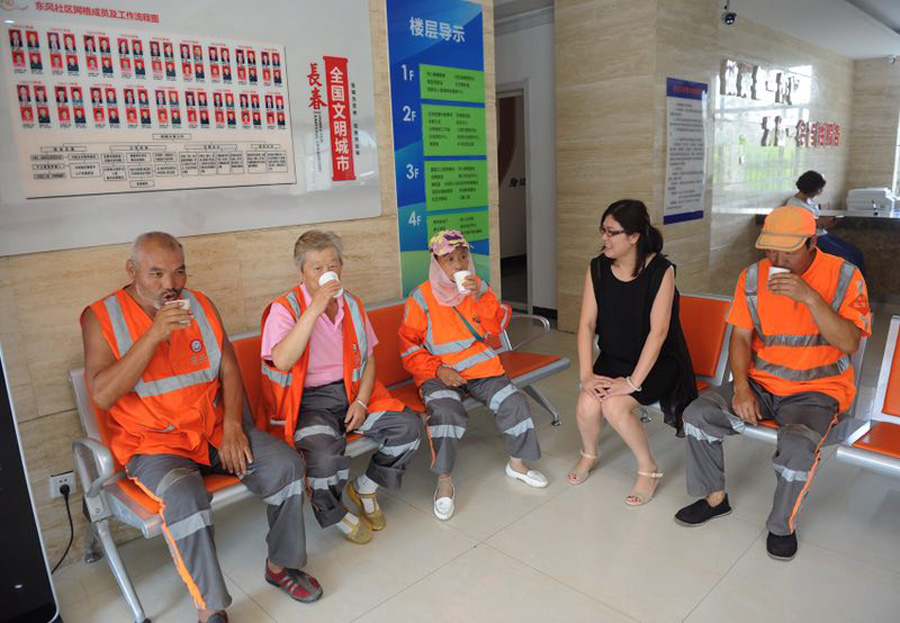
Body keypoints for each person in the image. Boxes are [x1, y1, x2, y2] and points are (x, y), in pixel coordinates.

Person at [81, 233, 323, 623]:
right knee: (184, 499)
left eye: (178, 272)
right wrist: (155, 333)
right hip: (154, 445)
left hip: (212, 431)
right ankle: (209, 606)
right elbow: (104, 394)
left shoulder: (201, 303)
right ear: (132, 271)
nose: (171, 285)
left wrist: (232, 426)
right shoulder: (102, 316)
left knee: (287, 466)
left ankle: (282, 566)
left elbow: (228, 366)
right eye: (156, 274)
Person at [674, 206, 871, 561]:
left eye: (787, 250)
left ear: (812, 242)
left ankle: (781, 526)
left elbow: (849, 342)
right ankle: (714, 498)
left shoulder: (845, 276)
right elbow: (740, 339)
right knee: (697, 416)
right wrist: (741, 388)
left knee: (797, 451)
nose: (776, 258)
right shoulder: (752, 277)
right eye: (769, 249)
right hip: (762, 385)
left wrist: (809, 297)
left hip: (818, 391)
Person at [261, 230, 423, 544]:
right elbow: (281, 360)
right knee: (322, 456)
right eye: (317, 268)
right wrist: (314, 310)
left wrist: (361, 402)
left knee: (409, 427)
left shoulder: (352, 303)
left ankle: (365, 487)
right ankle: (332, 511)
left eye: (332, 265)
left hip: (352, 391)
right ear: (302, 273)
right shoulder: (285, 308)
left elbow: (368, 357)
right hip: (308, 402)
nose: (327, 274)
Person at [400, 230, 547, 521]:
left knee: (514, 402)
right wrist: (438, 370)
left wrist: (481, 297)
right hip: (439, 372)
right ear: (436, 263)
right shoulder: (421, 298)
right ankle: (444, 481)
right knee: (445, 413)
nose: (459, 265)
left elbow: (498, 326)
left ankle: (517, 464)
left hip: (480, 368)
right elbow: (408, 348)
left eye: (463, 256)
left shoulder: (478, 287)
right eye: (450, 259)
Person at [568, 200, 697, 504]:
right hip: (614, 357)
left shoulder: (661, 270)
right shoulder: (597, 267)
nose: (605, 239)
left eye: (612, 232)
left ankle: (649, 469)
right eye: (603, 231)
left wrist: (632, 382)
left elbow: (660, 332)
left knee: (614, 406)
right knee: (587, 402)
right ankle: (589, 454)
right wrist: (587, 375)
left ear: (635, 237)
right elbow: (586, 324)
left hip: (656, 363)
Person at [785, 170, 866, 277]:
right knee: (847, 259)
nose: (820, 192)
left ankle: (859, 287)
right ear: (811, 188)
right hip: (813, 239)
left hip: (823, 234)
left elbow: (813, 219)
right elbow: (797, 226)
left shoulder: (808, 201)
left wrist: (825, 223)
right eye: (819, 189)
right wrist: (819, 223)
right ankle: (847, 289)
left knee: (855, 253)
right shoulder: (793, 204)